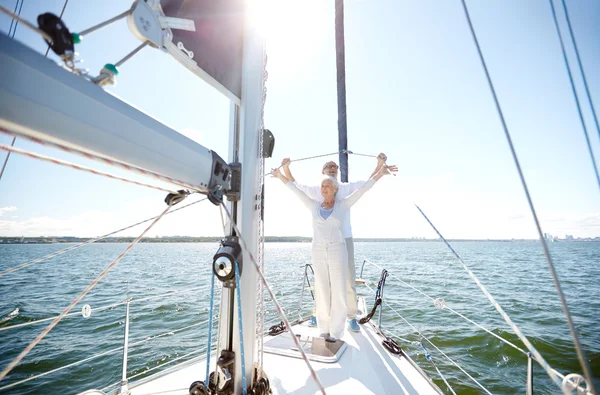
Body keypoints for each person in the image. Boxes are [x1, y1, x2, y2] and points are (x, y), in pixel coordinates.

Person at [271, 164, 392, 342]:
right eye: (322, 186)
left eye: (327, 186)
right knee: (321, 288)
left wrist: (380, 173)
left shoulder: (343, 205)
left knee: (338, 290)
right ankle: (324, 329)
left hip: (338, 248)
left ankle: (336, 332)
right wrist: (280, 175)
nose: (323, 188)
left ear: (335, 189)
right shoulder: (313, 205)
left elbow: (363, 189)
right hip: (318, 250)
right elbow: (296, 190)